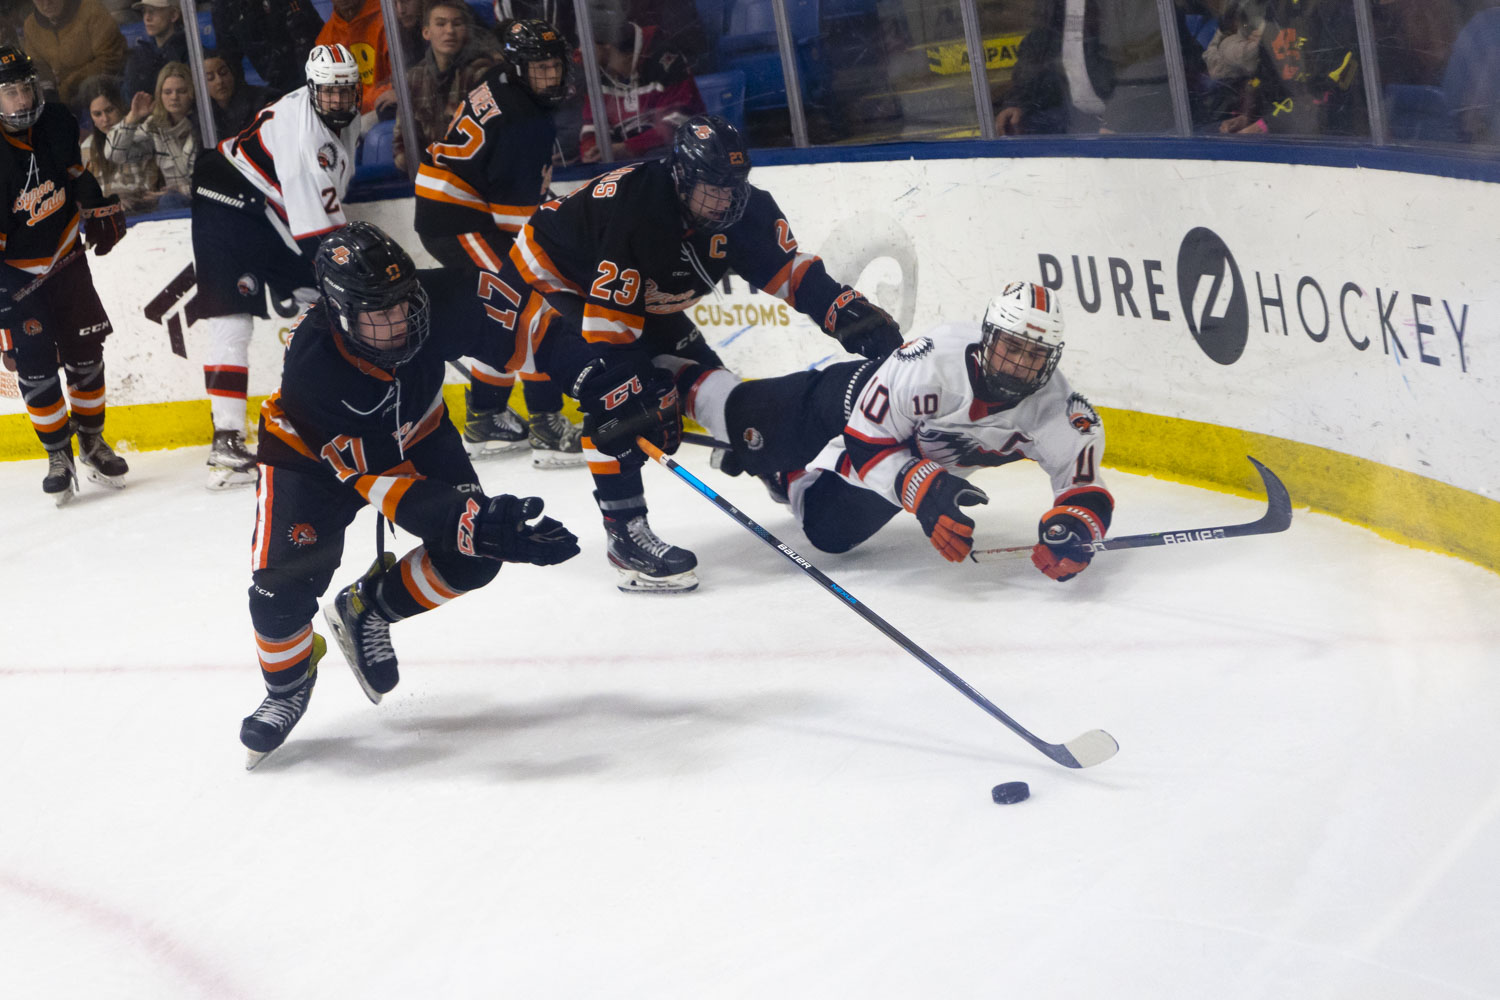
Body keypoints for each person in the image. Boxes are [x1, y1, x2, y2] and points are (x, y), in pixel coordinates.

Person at [238, 222, 602, 768]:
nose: (400, 322)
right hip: (311, 459)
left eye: (403, 303)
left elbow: (531, 324)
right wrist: (473, 517)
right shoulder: (314, 373)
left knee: (475, 559)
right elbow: (386, 485)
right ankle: (288, 686)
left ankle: (367, 608)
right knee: (278, 593)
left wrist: (597, 378)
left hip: (418, 430)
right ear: (340, 314)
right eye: (378, 313)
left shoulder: (437, 298)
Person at [508, 113, 903, 593]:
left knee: (717, 388)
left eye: (732, 186)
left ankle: (774, 460)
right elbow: (609, 336)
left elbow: (790, 272)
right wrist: (642, 392)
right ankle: (625, 535)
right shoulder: (639, 212)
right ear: (680, 175)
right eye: (710, 188)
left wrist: (847, 311)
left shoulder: (744, 209)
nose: (723, 200)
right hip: (551, 284)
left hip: (636, 294)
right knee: (617, 393)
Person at [669, 281, 1113, 579]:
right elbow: (867, 437)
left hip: (911, 454)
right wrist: (924, 489)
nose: (1019, 365)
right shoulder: (930, 362)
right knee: (740, 419)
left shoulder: (1060, 410)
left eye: (1034, 354)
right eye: (1011, 347)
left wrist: (1074, 528)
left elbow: (1083, 484)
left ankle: (786, 475)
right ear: (988, 337)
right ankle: (667, 370)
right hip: (854, 401)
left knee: (829, 535)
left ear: (1052, 358)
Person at [188, 42, 362, 490]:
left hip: (267, 204)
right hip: (224, 197)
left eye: (347, 91)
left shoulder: (342, 117)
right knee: (232, 323)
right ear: (312, 88)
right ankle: (225, 443)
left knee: (319, 303)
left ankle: (326, 418)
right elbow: (315, 235)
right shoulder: (303, 133)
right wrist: (354, 277)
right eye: (330, 92)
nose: (340, 100)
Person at [413, 16, 582, 468]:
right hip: (459, 220)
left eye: (554, 66)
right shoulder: (527, 120)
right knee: (531, 303)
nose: (549, 76)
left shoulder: (500, 81)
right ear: (518, 67)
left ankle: (486, 416)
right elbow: (516, 220)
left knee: (503, 309)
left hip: (459, 210)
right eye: (538, 68)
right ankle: (546, 420)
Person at [0, 46, 129, 503]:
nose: (20, 99)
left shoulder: (54, 120)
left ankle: (92, 441)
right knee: (35, 369)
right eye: (9, 92)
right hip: (16, 276)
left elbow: (75, 175)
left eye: (24, 87)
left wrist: (94, 203)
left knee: (86, 353)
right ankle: (58, 452)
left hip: (66, 256)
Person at [992, 0, 1204, 136]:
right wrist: (1019, 102)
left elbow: (1151, 59)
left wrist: (1120, 120)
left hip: (1147, 128)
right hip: (1080, 124)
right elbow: (1039, 45)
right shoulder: (1054, 5)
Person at [578, 0, 704, 163]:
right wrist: (591, 149)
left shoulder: (664, 58)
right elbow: (591, 124)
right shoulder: (595, 70)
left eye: (586, 43)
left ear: (607, 44)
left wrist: (627, 148)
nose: (580, 49)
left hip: (675, 160)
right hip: (624, 165)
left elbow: (679, 124)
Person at [392, 0, 500, 173]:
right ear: (426, 32)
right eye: (441, 24)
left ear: (466, 31)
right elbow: (401, 142)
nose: (449, 31)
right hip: (429, 179)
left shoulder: (483, 74)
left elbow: (496, 140)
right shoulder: (413, 79)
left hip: (474, 178)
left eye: (456, 24)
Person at [105, 61, 199, 208]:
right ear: (159, 95)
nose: (174, 97)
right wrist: (133, 117)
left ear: (192, 93)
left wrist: (178, 190)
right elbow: (115, 154)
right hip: (173, 202)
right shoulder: (155, 125)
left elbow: (215, 183)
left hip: (203, 200)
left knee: (169, 201)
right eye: (167, 92)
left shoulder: (204, 123)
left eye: (181, 91)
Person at [77, 74, 160, 212]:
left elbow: (151, 187)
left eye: (109, 110)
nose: (105, 119)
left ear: (120, 106)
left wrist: (127, 198)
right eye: (97, 114)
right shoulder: (86, 147)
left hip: (142, 211)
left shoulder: (141, 135)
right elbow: (86, 196)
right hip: (105, 215)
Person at [21, 0, 126, 107]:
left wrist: (70, 83)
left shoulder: (91, 10)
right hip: (61, 91)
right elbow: (37, 67)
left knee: (92, 85)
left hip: (103, 81)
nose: (47, 3)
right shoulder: (31, 26)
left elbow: (109, 58)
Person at [210, 0, 325, 96]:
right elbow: (229, 58)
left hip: (316, 78)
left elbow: (315, 36)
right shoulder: (225, 6)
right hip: (276, 86)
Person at [314, 0, 397, 122]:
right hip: (351, 114)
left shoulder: (387, 18)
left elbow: (399, 82)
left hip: (388, 108)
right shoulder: (325, 39)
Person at [120, 0, 186, 104]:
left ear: (173, 15)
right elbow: (128, 98)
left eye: (153, 11)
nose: (147, 18)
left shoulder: (188, 51)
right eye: (144, 11)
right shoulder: (140, 53)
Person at [201, 48, 274, 139]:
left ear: (233, 73)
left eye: (223, 73)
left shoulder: (264, 100)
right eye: (210, 78)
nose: (219, 81)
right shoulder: (202, 116)